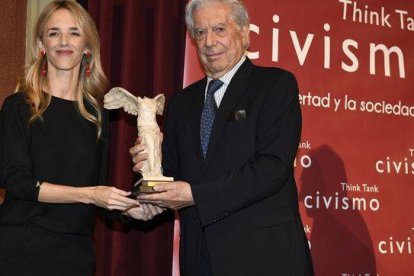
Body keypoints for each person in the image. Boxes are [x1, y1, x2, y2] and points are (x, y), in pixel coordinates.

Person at [130, 0, 314, 275]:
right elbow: (171, 174)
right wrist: (145, 191)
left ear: (244, 33)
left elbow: (271, 169)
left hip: (264, 257)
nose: (209, 41)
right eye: (200, 32)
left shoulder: (275, 85)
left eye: (219, 29)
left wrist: (194, 195)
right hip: (200, 259)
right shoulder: (181, 103)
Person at [0, 1, 161, 275]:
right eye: (54, 33)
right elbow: (17, 183)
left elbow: (98, 191)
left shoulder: (96, 115)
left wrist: (132, 208)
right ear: (42, 45)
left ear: (87, 47)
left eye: (74, 32)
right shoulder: (19, 106)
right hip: (21, 249)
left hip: (76, 256)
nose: (64, 41)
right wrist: (91, 195)